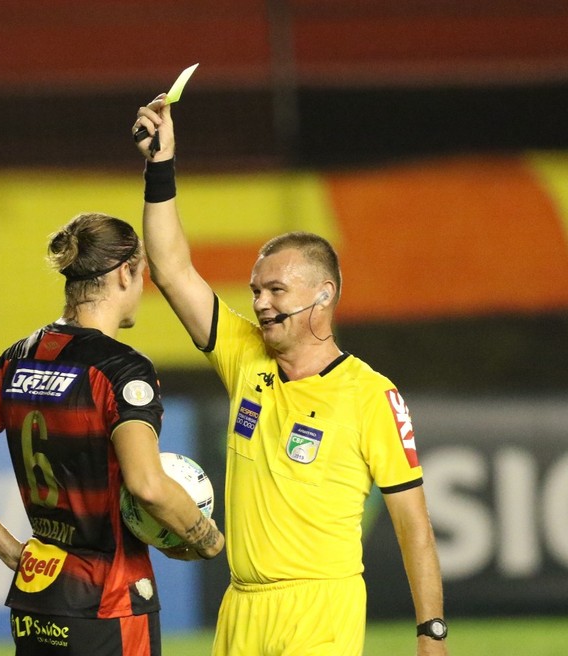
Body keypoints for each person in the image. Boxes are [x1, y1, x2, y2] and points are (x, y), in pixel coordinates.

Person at [132, 98, 449, 655]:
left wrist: (431, 632)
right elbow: (171, 269)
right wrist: (161, 167)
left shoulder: (371, 395)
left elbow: (412, 524)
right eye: (256, 290)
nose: (260, 304)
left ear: (323, 295)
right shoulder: (245, 356)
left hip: (319, 610)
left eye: (276, 290)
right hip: (242, 608)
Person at [0, 212, 224, 656]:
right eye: (142, 275)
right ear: (125, 273)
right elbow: (148, 486)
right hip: (109, 603)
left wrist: (9, 551)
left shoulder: (19, 359)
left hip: (38, 599)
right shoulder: (121, 369)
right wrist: (205, 538)